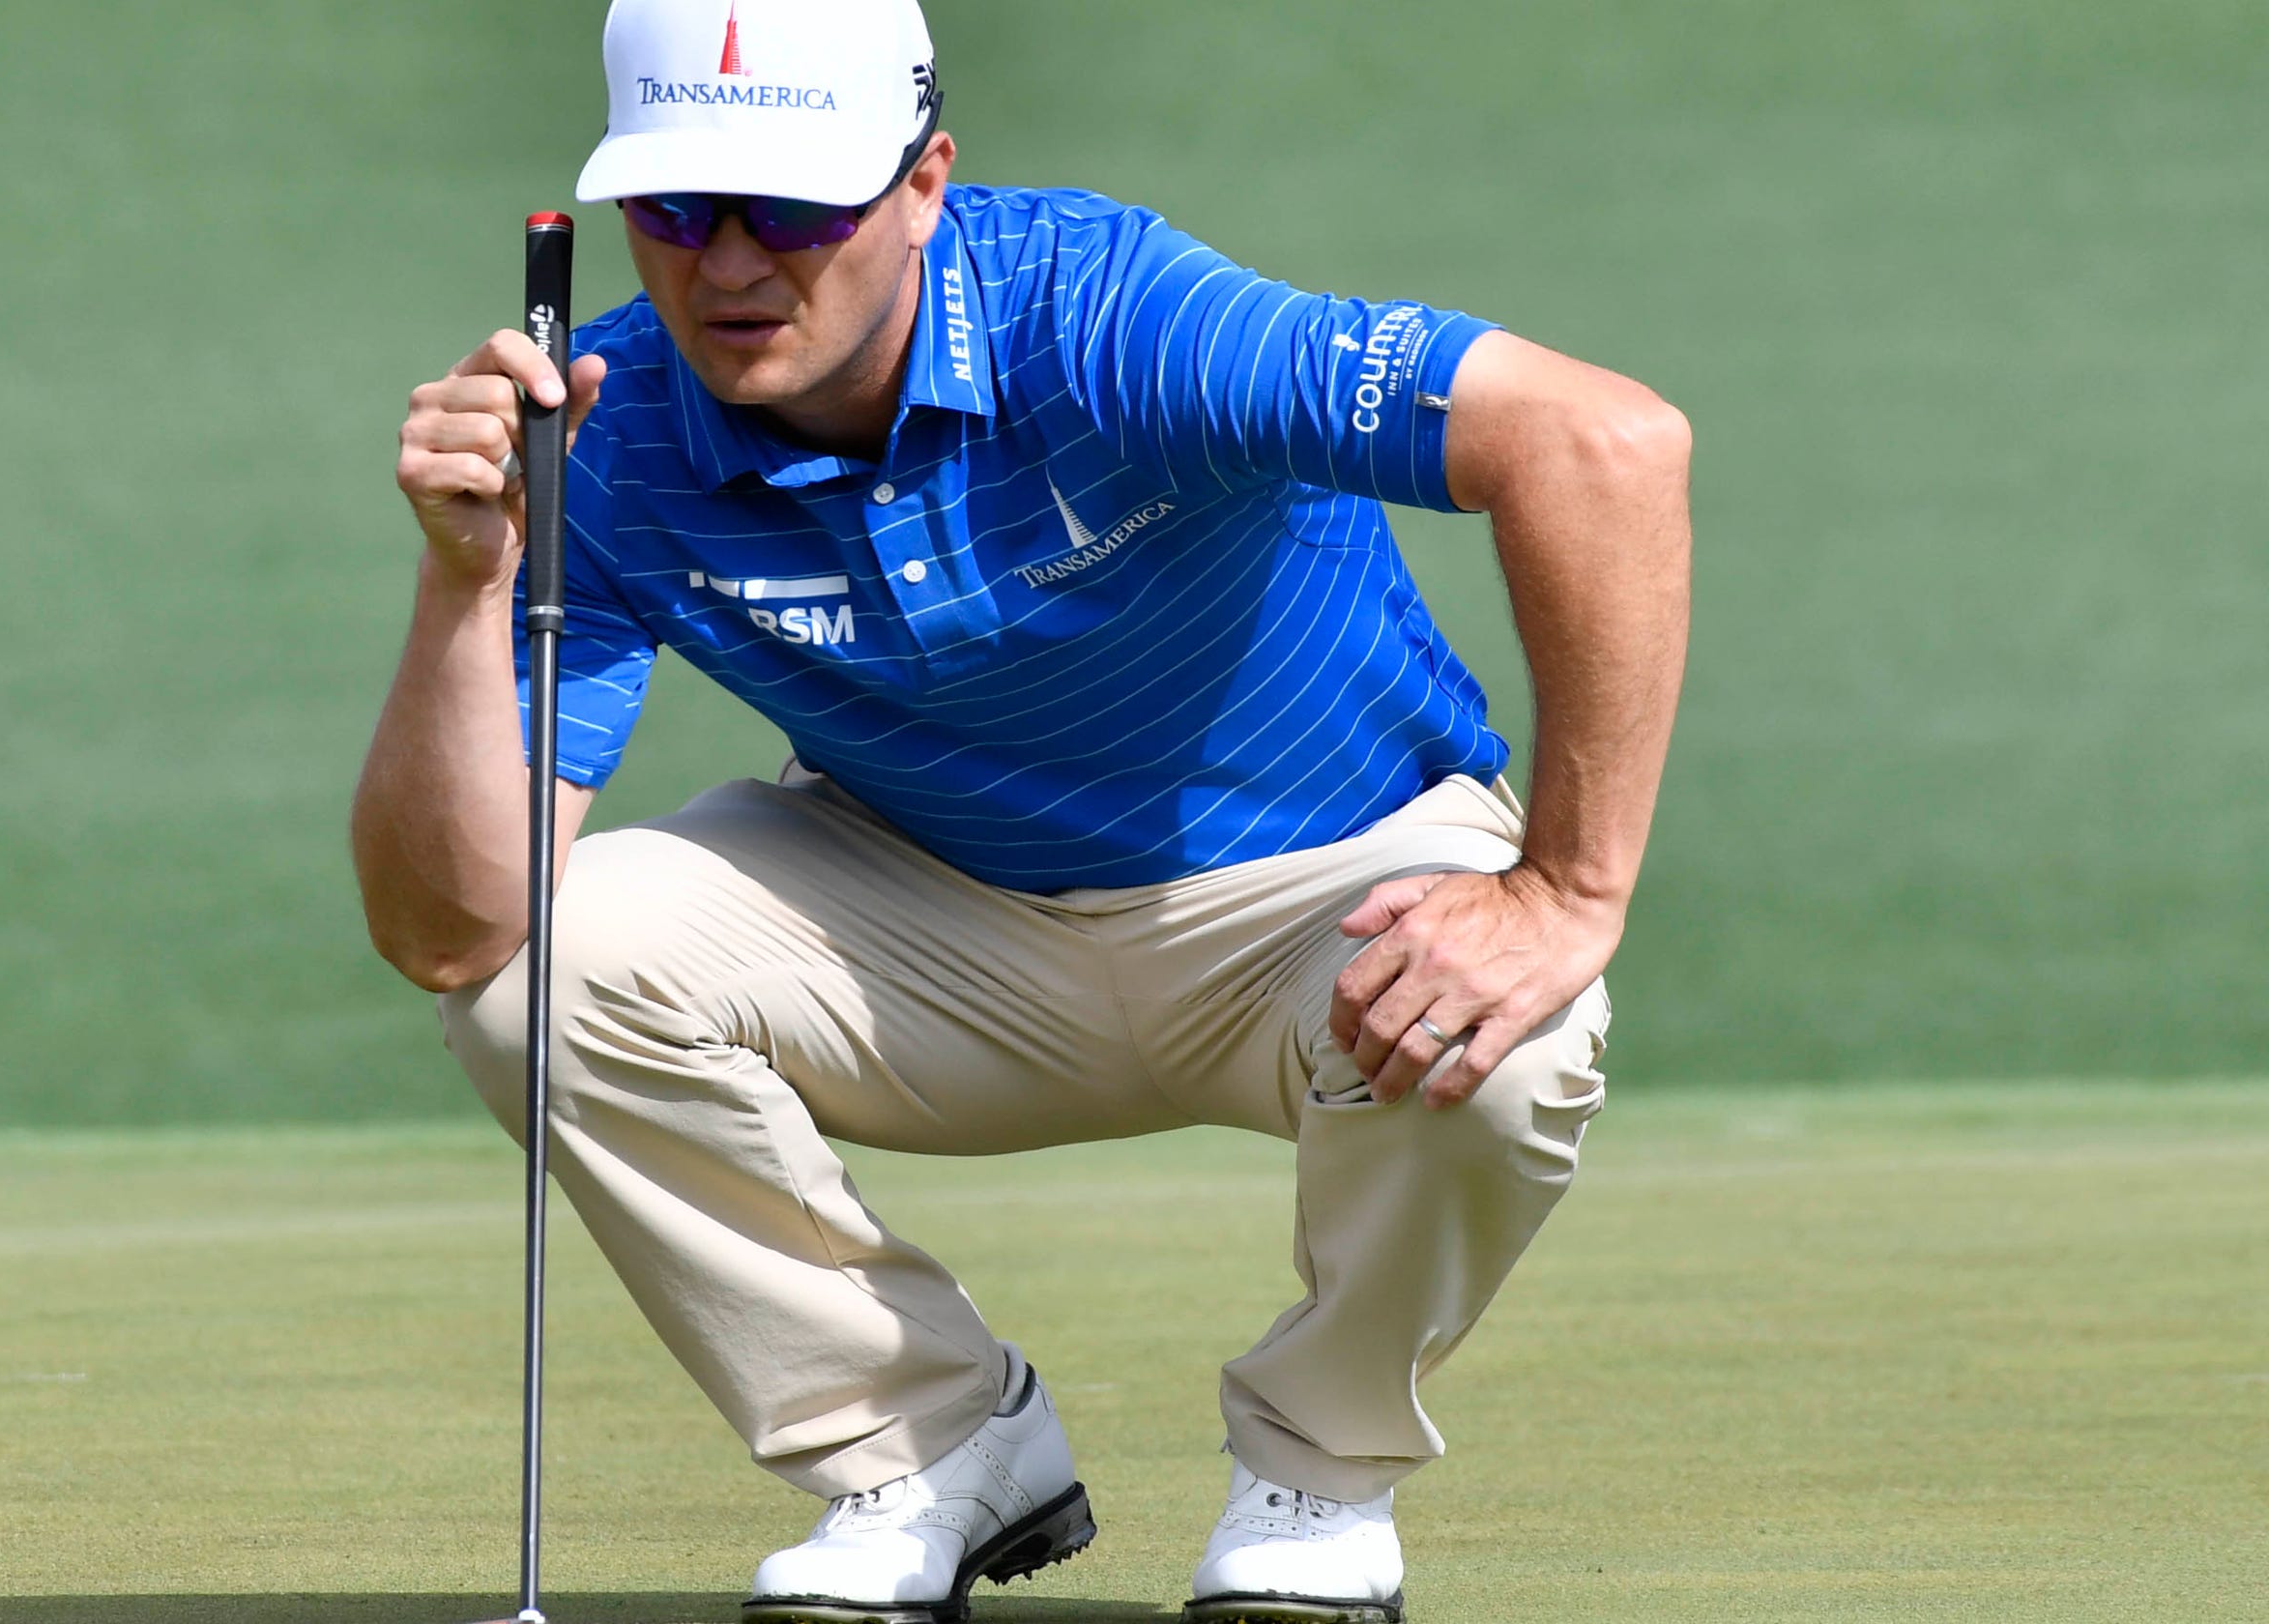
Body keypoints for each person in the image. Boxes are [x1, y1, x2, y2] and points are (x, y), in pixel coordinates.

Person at [353, 0, 1690, 1618]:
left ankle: (1317, 1482)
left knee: (1515, 1032)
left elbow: (1602, 441)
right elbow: (452, 931)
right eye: (678, 213)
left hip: (1315, 896)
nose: (727, 268)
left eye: (794, 209)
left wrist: (1566, 888)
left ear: (925, 182)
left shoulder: (1107, 311)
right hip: (934, 924)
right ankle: (928, 1455)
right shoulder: (606, 425)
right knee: (532, 986)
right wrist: (468, 580)